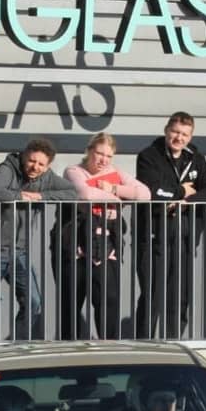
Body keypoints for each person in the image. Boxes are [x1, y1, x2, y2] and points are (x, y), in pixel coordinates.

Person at [0, 137, 78, 341]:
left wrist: (41, 196)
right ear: (24, 157)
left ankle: (16, 345)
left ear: (47, 166)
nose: (35, 167)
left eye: (41, 164)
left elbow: (73, 193)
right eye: (31, 160)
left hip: (20, 250)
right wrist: (22, 196)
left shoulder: (47, 177)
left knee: (33, 303)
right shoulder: (8, 167)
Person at [134, 111, 206, 338]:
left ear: (190, 137)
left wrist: (186, 201)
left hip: (185, 238)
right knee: (152, 295)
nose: (179, 138)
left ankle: (174, 342)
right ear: (166, 130)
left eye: (184, 134)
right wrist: (182, 190)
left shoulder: (195, 157)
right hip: (154, 238)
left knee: (180, 296)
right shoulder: (148, 155)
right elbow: (152, 191)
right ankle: (144, 344)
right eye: (175, 132)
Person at [59, 132, 150, 340]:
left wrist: (113, 188)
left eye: (109, 156)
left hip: (107, 246)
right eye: (99, 154)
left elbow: (145, 194)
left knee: (108, 301)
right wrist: (118, 198)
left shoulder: (116, 174)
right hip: (77, 248)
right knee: (71, 303)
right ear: (89, 151)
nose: (103, 160)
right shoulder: (74, 171)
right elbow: (85, 194)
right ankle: (69, 347)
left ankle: (109, 346)